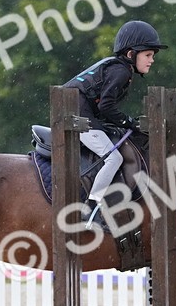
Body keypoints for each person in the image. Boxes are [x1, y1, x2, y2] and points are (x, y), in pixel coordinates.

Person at [62, 19, 166, 227]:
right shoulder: (121, 71)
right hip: (76, 114)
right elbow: (106, 107)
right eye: (147, 55)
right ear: (130, 54)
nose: (151, 60)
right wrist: (130, 123)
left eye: (152, 56)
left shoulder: (118, 68)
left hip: (78, 111)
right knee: (113, 158)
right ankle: (91, 209)